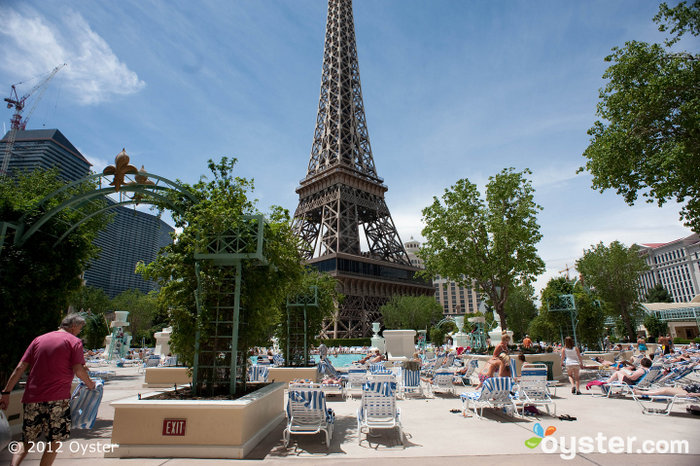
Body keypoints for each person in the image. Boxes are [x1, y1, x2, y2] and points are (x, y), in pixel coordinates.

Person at [0, 313, 96, 466]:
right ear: (73, 326)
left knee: (27, 439)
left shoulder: (38, 340)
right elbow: (79, 370)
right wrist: (90, 384)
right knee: (54, 440)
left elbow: (20, 368)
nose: (80, 332)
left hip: (33, 397)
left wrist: (6, 392)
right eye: (79, 328)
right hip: (58, 400)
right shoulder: (74, 342)